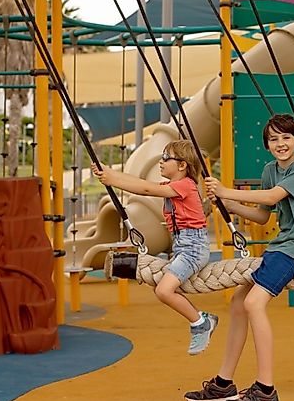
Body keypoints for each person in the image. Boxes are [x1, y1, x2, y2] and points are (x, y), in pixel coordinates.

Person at [184, 114, 294, 401]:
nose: (281, 143)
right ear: (267, 145)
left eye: (286, 137)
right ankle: (224, 382)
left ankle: (266, 390)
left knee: (253, 303)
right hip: (282, 245)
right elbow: (264, 214)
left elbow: (274, 196)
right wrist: (228, 204)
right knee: (238, 301)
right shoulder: (270, 170)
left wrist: (225, 190)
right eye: (273, 139)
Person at [91, 140, 217, 356]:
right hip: (183, 247)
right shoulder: (173, 187)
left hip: (193, 248)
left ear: (182, 165)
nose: (161, 162)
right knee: (161, 285)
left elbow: (145, 189)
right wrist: (108, 173)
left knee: (164, 290)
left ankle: (200, 322)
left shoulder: (185, 185)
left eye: (165, 158)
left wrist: (113, 179)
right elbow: (140, 183)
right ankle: (202, 319)